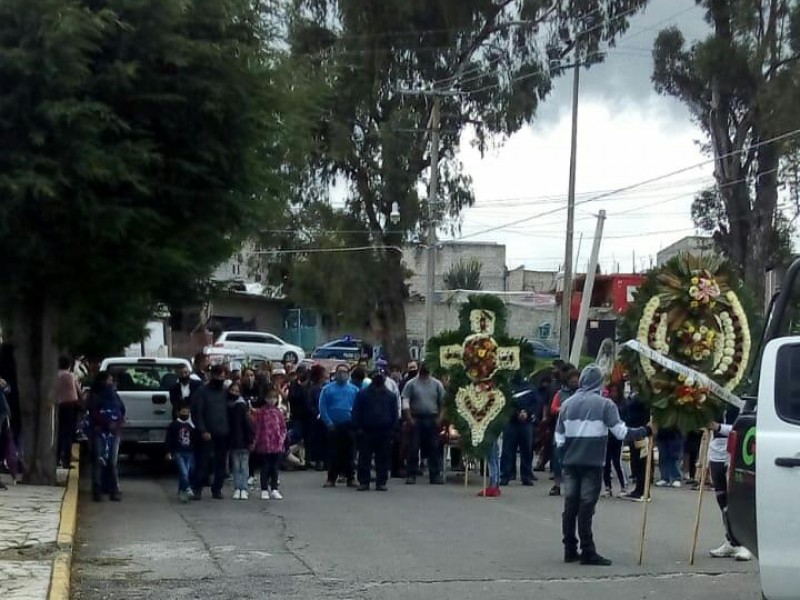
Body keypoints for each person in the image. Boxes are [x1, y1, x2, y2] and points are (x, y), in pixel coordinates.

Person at [555, 364, 652, 566]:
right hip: (592, 462)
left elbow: (559, 438)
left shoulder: (567, 404)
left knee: (570, 506)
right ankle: (588, 550)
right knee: (586, 507)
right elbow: (621, 433)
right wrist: (646, 430)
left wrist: (564, 457)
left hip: (570, 463)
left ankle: (569, 549)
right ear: (599, 383)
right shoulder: (605, 405)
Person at [708, 407, 753, 561]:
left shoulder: (742, 396)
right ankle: (731, 540)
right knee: (722, 500)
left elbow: (745, 425)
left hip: (738, 450)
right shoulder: (713, 398)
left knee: (738, 500)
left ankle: (745, 543)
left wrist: (718, 427)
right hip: (716, 451)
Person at [352, 373, 398, 491]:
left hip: (384, 431)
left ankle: (381, 482)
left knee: (382, 458)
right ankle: (364, 481)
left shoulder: (390, 396)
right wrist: (358, 428)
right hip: (366, 430)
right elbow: (356, 412)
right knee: (364, 458)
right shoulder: (362, 394)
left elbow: (394, 415)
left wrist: (393, 430)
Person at [402, 363, 445, 485]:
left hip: (432, 419)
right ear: (420, 368)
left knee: (434, 447)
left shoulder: (437, 384)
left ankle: (435, 475)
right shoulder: (411, 384)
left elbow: (443, 403)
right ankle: (411, 474)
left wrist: (440, 418)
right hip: (416, 419)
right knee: (413, 448)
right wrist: (409, 418)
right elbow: (405, 401)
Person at [191, 364, 230, 500]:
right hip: (207, 433)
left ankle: (217, 489)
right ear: (211, 375)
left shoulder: (225, 392)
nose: (221, 377)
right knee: (203, 463)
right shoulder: (202, 392)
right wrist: (202, 430)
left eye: (223, 375)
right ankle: (197, 489)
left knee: (221, 464)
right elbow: (197, 413)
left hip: (223, 432)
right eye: (218, 374)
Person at [86, 372, 126, 502]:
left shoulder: (114, 395)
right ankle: (97, 489)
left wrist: (117, 422)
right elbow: (92, 412)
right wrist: (106, 423)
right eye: (109, 380)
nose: (111, 382)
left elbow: (121, 410)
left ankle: (113, 489)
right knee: (99, 460)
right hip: (99, 432)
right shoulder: (95, 395)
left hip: (114, 433)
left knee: (112, 462)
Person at [319, 363, 359, 488]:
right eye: (339, 372)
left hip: (349, 425)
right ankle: (331, 478)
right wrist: (328, 422)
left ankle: (350, 478)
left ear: (348, 374)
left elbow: (358, 408)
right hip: (333, 426)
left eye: (344, 372)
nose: (342, 374)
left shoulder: (354, 390)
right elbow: (322, 407)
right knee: (333, 453)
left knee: (350, 453)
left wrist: (355, 422)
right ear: (335, 373)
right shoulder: (327, 389)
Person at [500, 373, 540, 486]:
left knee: (526, 450)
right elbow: (504, 404)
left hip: (526, 424)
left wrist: (528, 413)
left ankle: (526, 476)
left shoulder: (531, 388)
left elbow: (537, 403)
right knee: (507, 450)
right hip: (511, 422)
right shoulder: (508, 387)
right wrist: (516, 413)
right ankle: (505, 475)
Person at [548, 367, 580, 496]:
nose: (574, 383)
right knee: (557, 457)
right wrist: (563, 409)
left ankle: (573, 485)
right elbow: (553, 408)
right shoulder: (560, 394)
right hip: (562, 429)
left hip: (577, 431)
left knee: (575, 460)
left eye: (576, 381)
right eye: (572, 381)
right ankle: (557, 484)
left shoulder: (581, 394)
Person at [252, 386, 287, 500]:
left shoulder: (279, 412)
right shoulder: (261, 412)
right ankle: (264, 489)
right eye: (269, 397)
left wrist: (281, 440)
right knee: (265, 468)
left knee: (275, 468)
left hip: (277, 445)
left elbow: (283, 428)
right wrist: (255, 442)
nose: (271, 400)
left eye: (274, 398)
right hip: (264, 444)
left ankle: (274, 489)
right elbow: (257, 428)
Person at [620, 388, 651, 502]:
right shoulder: (634, 395)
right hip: (633, 430)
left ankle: (642, 490)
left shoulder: (643, 396)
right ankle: (638, 488)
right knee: (635, 460)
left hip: (641, 430)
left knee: (641, 461)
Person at [165, 400, 197, 502]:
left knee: (188, 472)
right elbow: (169, 439)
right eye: (183, 412)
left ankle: (182, 491)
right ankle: (188, 489)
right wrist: (169, 451)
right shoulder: (174, 425)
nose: (185, 414)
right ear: (178, 413)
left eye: (187, 412)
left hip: (189, 452)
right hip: (178, 452)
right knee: (184, 473)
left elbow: (195, 439)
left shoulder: (191, 425)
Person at [227, 381, 253, 500]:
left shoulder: (241, 406)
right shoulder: (228, 405)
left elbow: (247, 425)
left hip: (243, 441)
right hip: (233, 441)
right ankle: (238, 488)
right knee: (236, 466)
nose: (234, 393)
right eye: (232, 390)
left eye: (237, 391)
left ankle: (244, 488)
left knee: (244, 466)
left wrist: (250, 439)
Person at [56, 356, 83, 468]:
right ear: (69, 365)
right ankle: (66, 459)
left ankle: (56, 458)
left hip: (58, 405)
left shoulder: (54, 375)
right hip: (71, 405)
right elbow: (78, 392)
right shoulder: (71, 376)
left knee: (59, 433)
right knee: (69, 434)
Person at [602, 383, 629, 497]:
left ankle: (624, 486)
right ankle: (607, 487)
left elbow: (623, 420)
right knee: (606, 462)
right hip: (606, 435)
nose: (613, 394)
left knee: (617, 462)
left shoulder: (623, 404)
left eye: (616, 391)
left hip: (617, 436)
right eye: (611, 391)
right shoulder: (606, 404)